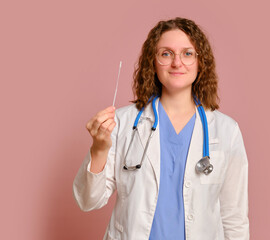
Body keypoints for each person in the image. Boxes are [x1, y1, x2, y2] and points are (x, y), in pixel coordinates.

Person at [73, 17, 249, 240]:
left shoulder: (226, 130)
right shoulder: (123, 122)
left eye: (187, 53)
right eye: (166, 53)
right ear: (153, 62)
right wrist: (99, 149)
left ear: (200, 62)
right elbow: (88, 201)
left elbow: (234, 217)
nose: (177, 63)